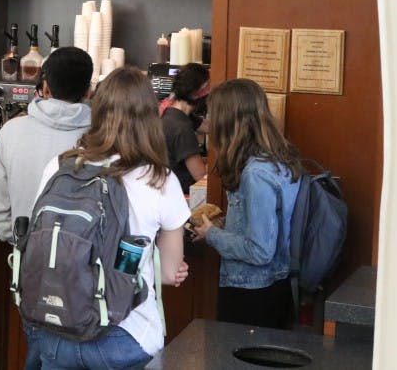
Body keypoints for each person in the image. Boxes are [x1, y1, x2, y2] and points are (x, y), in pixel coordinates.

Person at [32, 67, 189, 369]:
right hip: (125, 337)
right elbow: (169, 273)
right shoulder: (159, 178)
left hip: (57, 331)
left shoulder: (61, 165)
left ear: (96, 109)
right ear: (150, 115)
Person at [0, 46, 93, 368]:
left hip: (29, 264)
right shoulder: (101, 136)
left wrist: (24, 244)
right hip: (86, 267)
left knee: (39, 348)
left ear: (44, 85)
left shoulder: (12, 131)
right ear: (89, 90)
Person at [190, 78, 303, 329]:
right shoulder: (278, 161)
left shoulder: (255, 174)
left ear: (229, 122)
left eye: (213, 116)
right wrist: (222, 227)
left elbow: (259, 250)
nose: (208, 124)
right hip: (273, 287)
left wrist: (212, 235)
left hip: (252, 292)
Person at [159, 63, 210, 194]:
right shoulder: (182, 128)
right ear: (196, 93)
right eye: (208, 90)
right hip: (179, 195)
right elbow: (200, 176)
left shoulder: (171, 112)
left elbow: (208, 126)